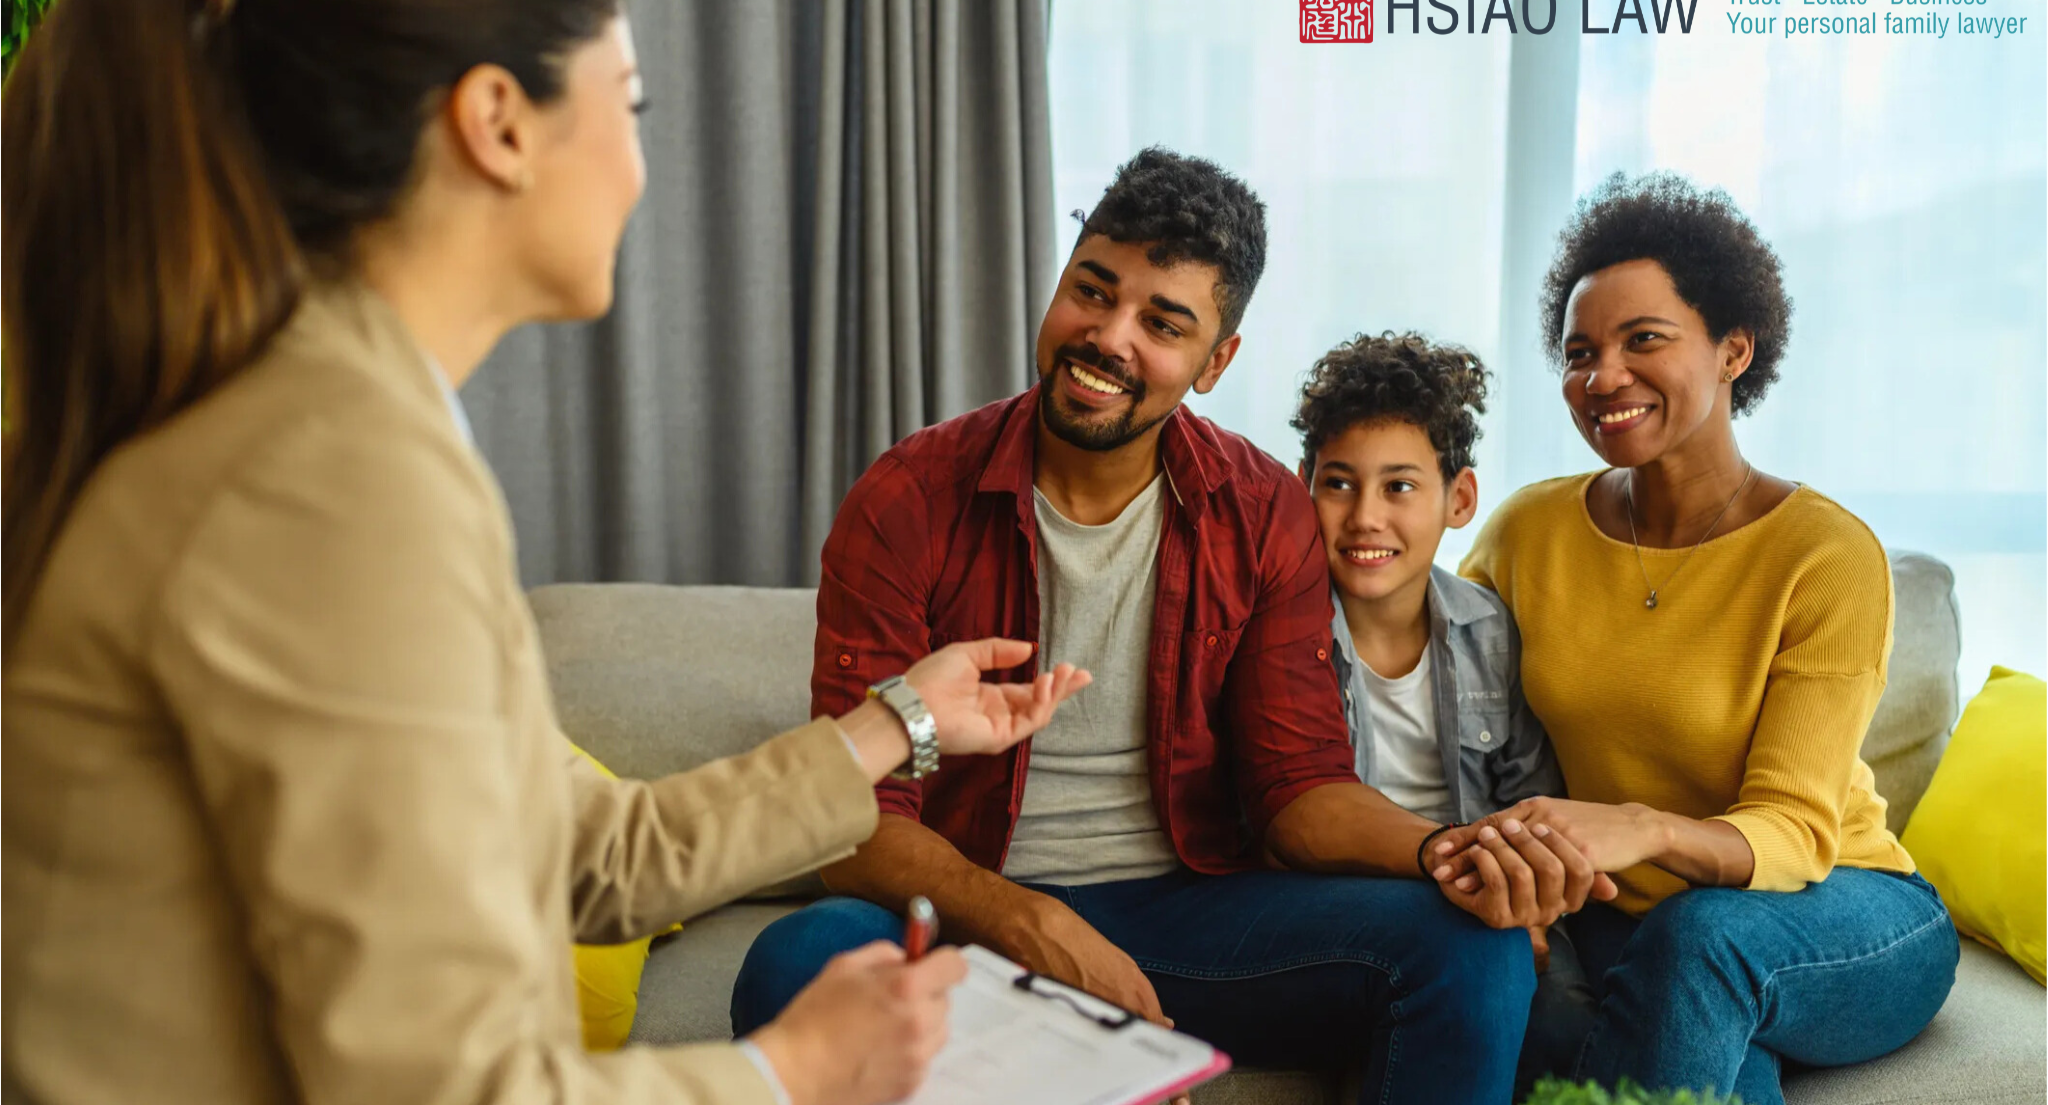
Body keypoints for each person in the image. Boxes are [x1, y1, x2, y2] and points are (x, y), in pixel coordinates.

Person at [0, 0, 1091, 1105]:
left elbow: (591, 852)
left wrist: (902, 721)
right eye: (630, 104)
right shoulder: (325, 477)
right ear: (498, 125)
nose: (638, 164)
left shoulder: (326, 420)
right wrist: (794, 1070)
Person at [731, 148, 1610, 1105]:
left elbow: (1297, 789)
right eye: (1091, 291)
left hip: (1187, 918)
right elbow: (850, 819)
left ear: (1214, 361)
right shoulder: (908, 497)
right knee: (797, 961)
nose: (1108, 338)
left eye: (1163, 322)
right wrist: (1032, 924)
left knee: (1467, 953)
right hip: (965, 909)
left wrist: (1450, 852)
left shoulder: (1260, 509)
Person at [1446, 172, 1959, 1105]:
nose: (1602, 377)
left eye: (1644, 340)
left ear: (1732, 350)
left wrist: (1637, 828)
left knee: (1700, 940)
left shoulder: (1825, 556)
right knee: (1708, 1032)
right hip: (1634, 929)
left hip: (1844, 912)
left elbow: (1798, 833)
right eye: (1578, 352)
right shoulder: (1530, 532)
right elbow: (1432, 689)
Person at [1291, 331, 1600, 1097]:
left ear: (1457, 499)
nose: (1365, 516)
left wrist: (1531, 910)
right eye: (1338, 483)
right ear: (1303, 487)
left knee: (1565, 1017)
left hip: (1481, 887)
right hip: (1347, 894)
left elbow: (1533, 801)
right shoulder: (1285, 634)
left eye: (1399, 487)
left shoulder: (1489, 632)